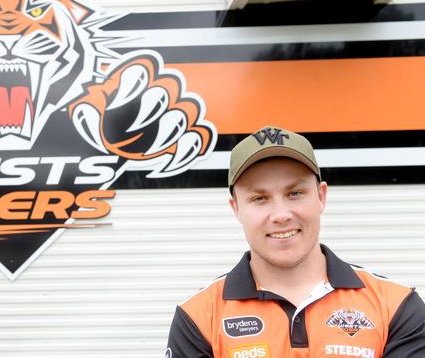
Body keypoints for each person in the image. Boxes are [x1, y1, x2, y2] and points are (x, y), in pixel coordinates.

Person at [165, 125, 425, 357]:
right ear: (236, 208)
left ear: (321, 196)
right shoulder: (198, 317)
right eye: (259, 198)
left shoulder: (396, 306)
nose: (280, 215)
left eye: (295, 193)